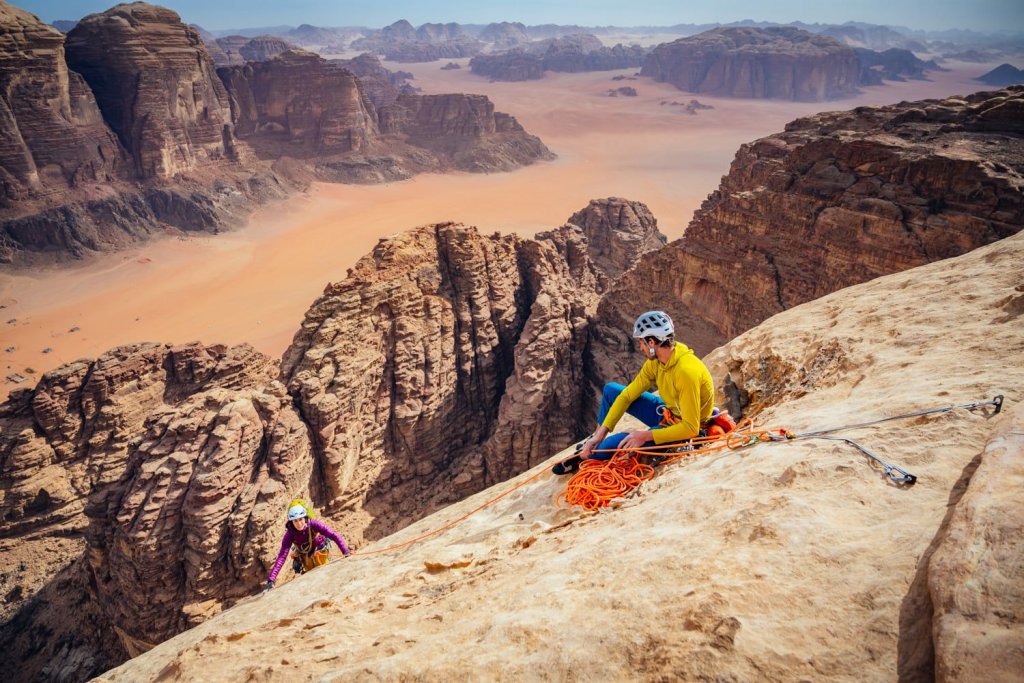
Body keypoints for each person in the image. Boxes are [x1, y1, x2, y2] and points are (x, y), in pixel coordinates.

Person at [553, 310, 715, 475]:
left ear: (651, 342)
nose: (640, 347)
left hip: (682, 427)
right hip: (669, 413)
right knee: (611, 390)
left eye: (641, 343)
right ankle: (595, 440)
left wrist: (644, 436)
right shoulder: (657, 362)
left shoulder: (686, 371)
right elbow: (627, 395)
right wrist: (600, 434)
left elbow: (690, 428)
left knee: (614, 445)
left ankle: (590, 454)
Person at [263, 500, 351, 591]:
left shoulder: (314, 524)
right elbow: (282, 556)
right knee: (313, 579)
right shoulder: (290, 534)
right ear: (291, 522)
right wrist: (271, 580)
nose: (299, 523)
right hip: (305, 556)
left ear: (305, 518)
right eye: (295, 521)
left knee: (324, 573)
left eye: (300, 519)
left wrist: (345, 550)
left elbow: (333, 534)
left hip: (320, 551)